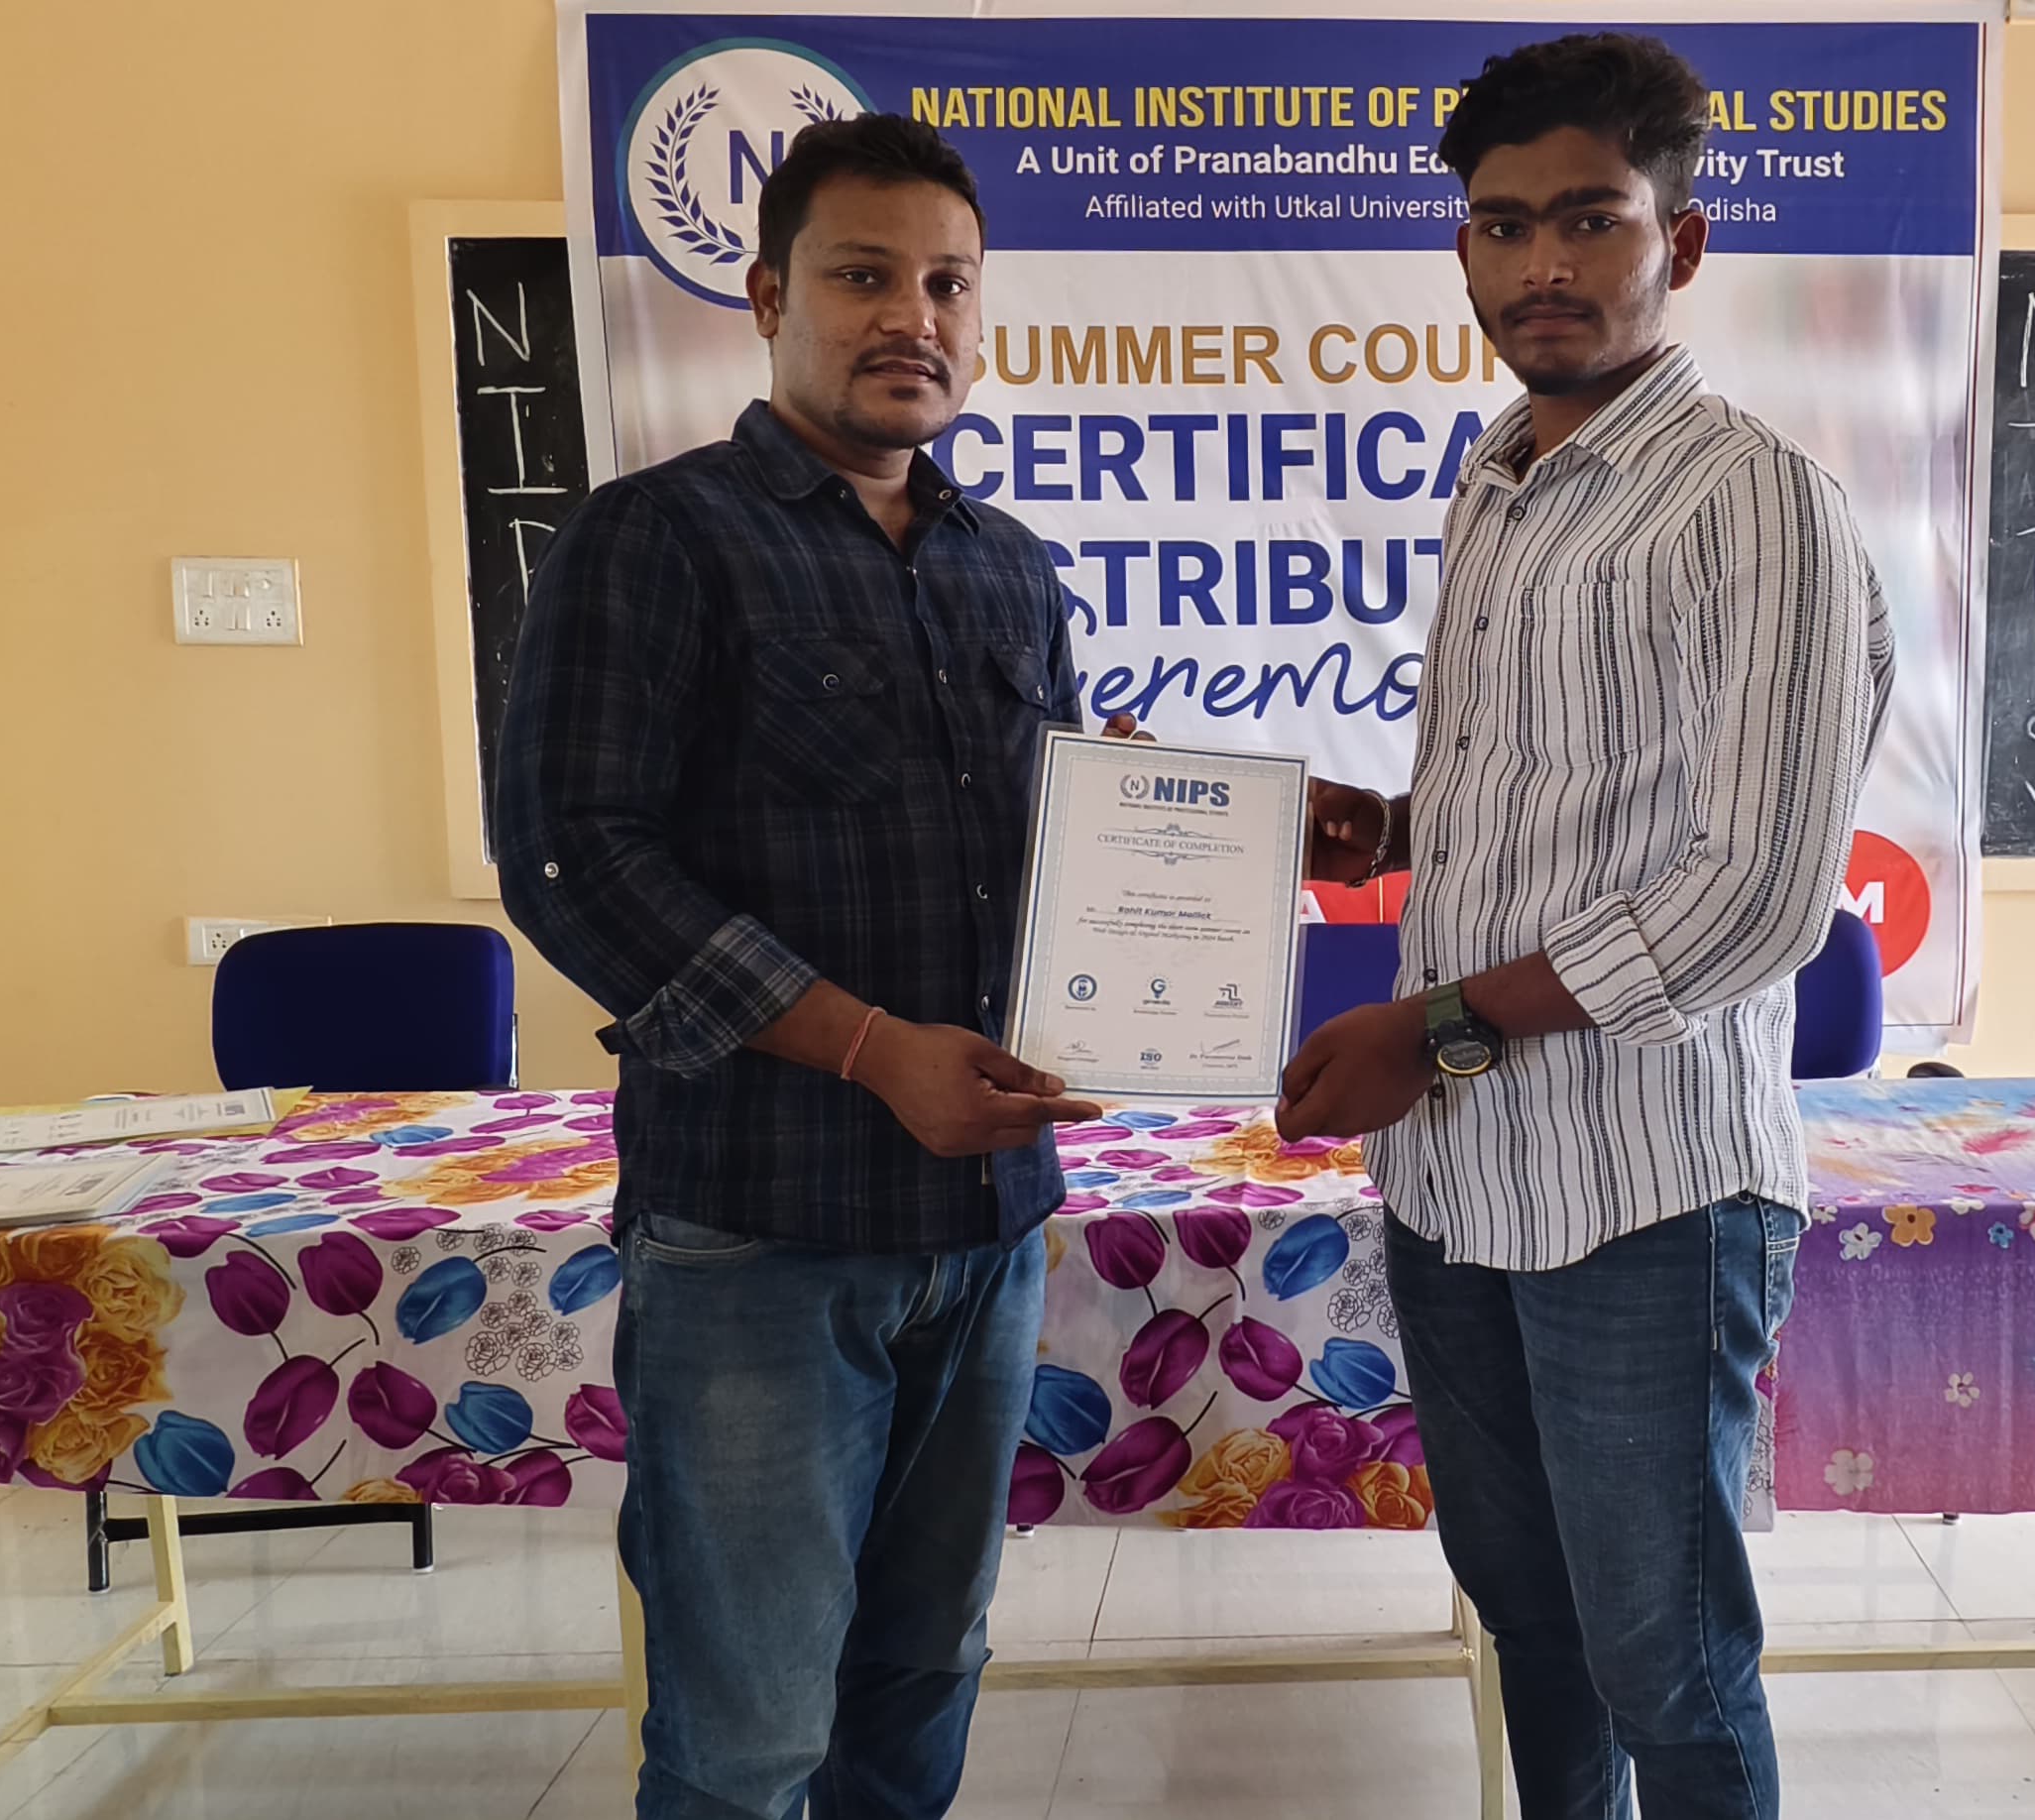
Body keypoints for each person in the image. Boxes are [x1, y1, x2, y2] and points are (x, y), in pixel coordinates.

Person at [495, 115, 1381, 1820]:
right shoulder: (655, 541)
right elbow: (572, 861)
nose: (914, 316)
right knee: (750, 1729)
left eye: (950, 284)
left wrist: (1233, 838)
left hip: (983, 1230)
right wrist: (866, 1047)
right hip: (761, 1229)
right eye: (863, 275)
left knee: (920, 1677)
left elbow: (1034, 849)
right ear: (769, 296)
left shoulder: (1007, 567)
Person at [1275, 33, 1893, 1820]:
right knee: (1529, 1618)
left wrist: (1435, 1028)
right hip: (1462, 1179)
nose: (1542, 263)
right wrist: (1394, 826)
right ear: (1463, 249)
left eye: (1590, 220)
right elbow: (1579, 793)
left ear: (1678, 243)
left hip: (1646, 1190)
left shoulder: (1756, 503)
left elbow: (1754, 895)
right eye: (1502, 224)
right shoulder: (1501, 473)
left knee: (1664, 1660)